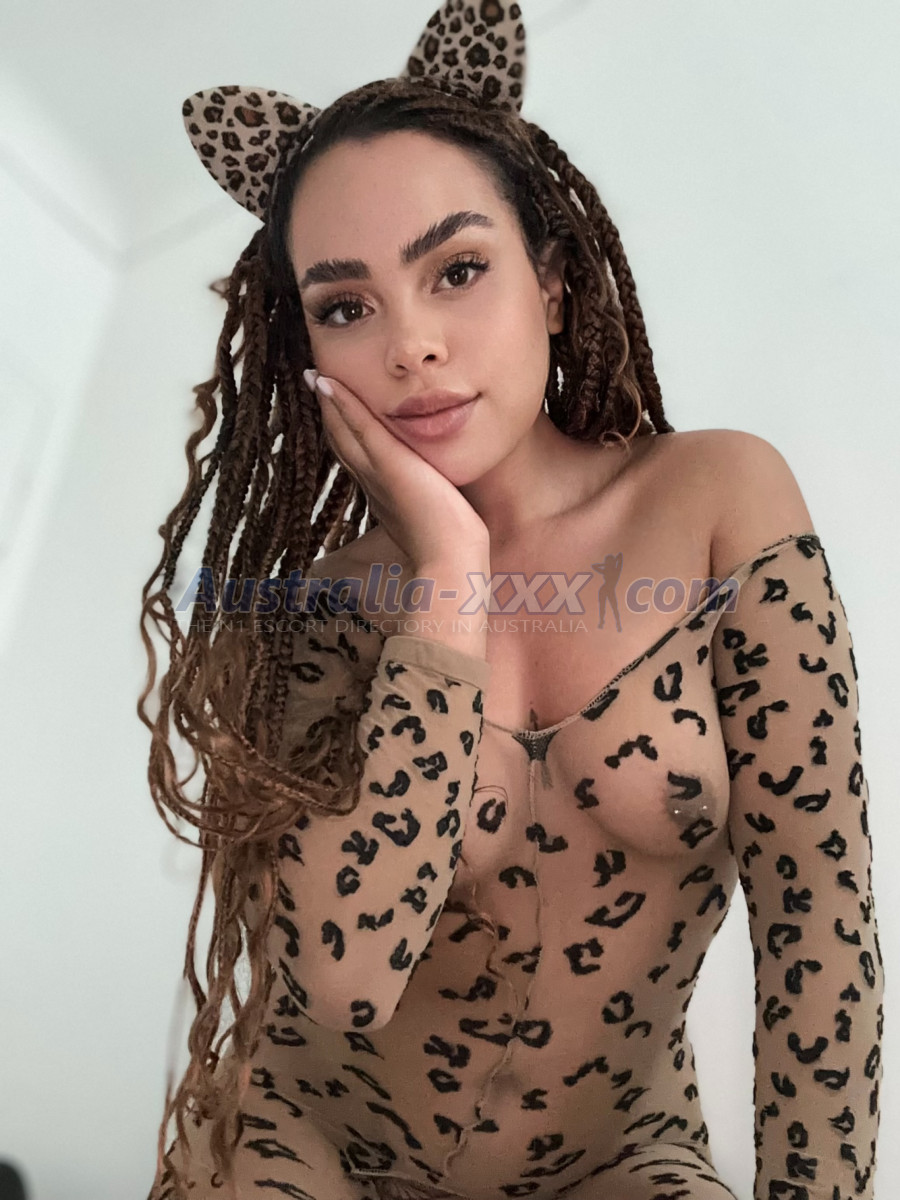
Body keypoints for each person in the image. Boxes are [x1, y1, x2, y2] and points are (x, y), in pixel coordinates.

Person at [139, 3, 884, 1199]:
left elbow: (820, 929)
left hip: (615, 1159)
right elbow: (346, 980)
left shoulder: (716, 499)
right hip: (308, 1142)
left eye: (458, 270)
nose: (412, 344)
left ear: (552, 283)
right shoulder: (315, 610)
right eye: (346, 306)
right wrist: (450, 572)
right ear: (307, 353)